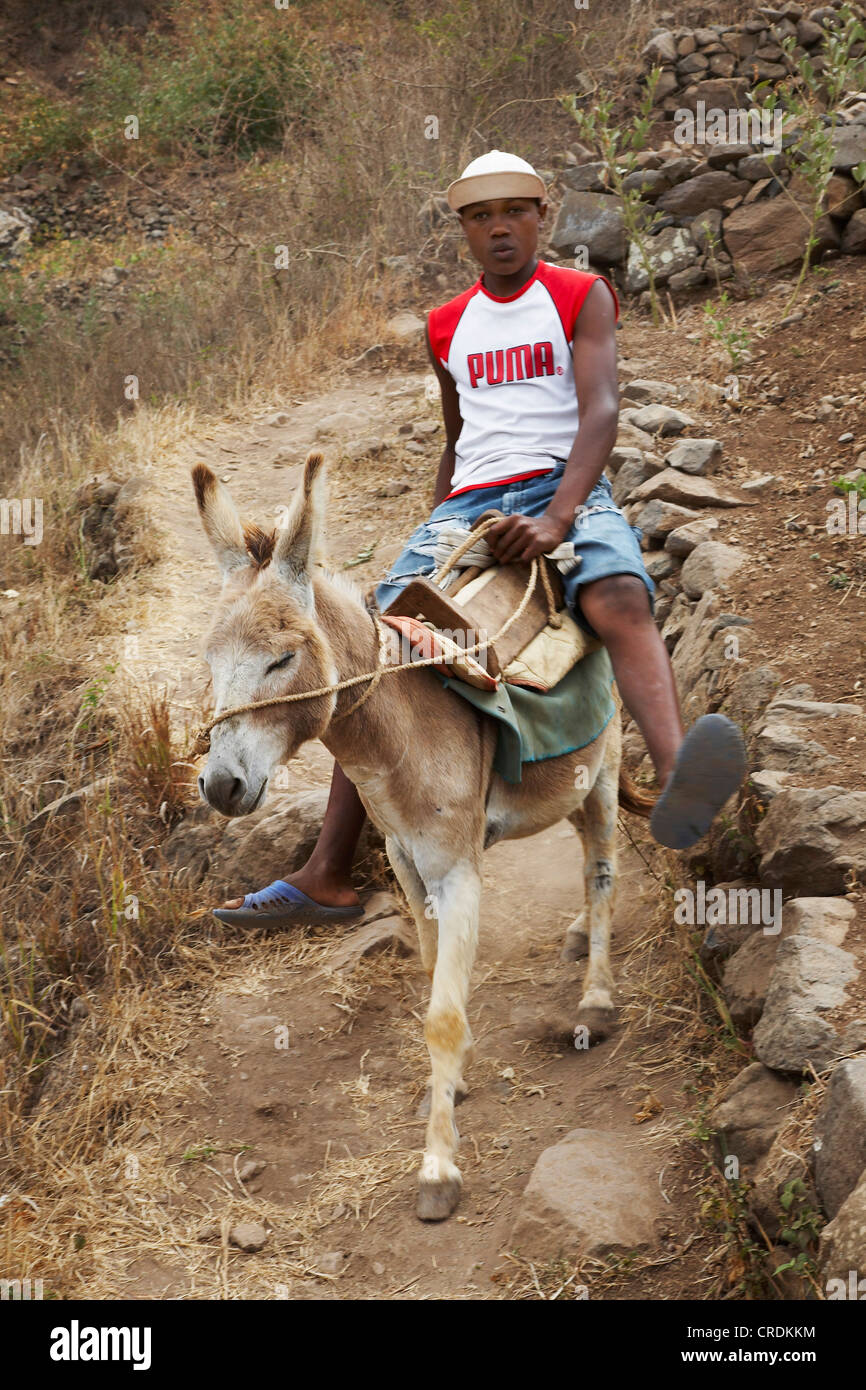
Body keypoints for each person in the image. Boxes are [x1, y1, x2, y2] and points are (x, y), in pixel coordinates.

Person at [215, 150, 745, 927]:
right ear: (463, 228)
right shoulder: (445, 325)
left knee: (618, 595)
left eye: (515, 213)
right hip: (466, 507)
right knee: (368, 649)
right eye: (480, 217)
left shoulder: (581, 295)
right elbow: (457, 437)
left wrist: (558, 518)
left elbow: (601, 410)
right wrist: (440, 529)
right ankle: (327, 873)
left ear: (542, 217)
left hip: (561, 486)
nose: (499, 229)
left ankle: (675, 777)